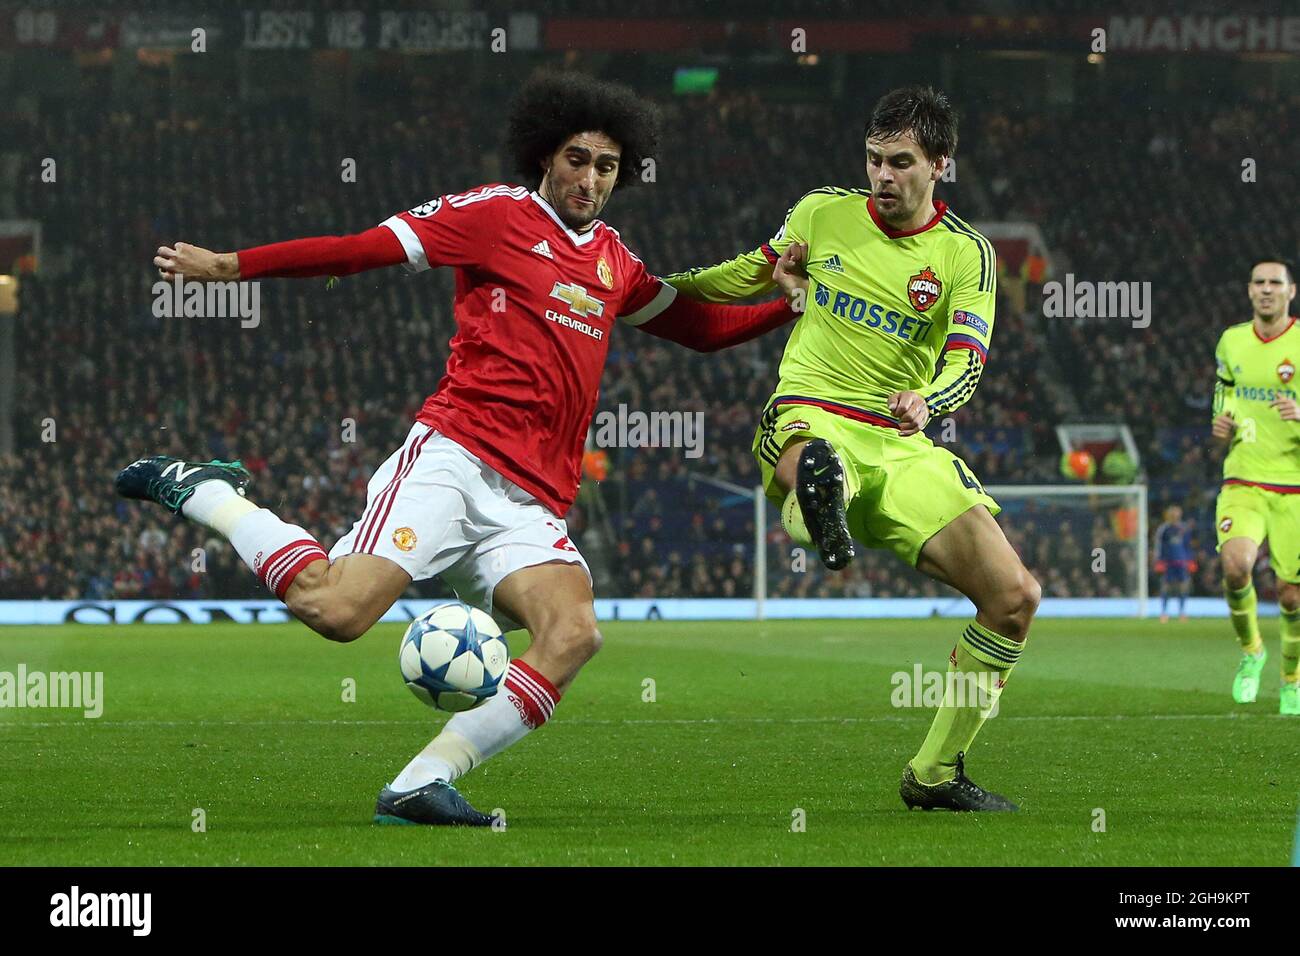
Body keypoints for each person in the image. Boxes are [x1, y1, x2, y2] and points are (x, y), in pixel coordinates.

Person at [117, 71, 806, 825]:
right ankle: (207, 492)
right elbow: (359, 250)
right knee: (337, 612)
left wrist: (790, 308)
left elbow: (699, 329)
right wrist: (229, 267)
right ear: (546, 155)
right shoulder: (492, 214)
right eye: (577, 159)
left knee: (574, 634)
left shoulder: (613, 261)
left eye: (607, 167)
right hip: (456, 458)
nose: (590, 178)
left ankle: (420, 782)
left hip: (533, 501)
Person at [665, 86, 1040, 811]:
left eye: (901, 162)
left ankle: (933, 775)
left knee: (1014, 597)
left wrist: (928, 399)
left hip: (900, 441)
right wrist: (649, 291)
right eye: (874, 160)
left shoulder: (966, 255)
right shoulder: (822, 211)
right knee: (812, 455)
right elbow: (745, 274)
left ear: (940, 164)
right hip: (814, 406)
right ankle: (815, 503)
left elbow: (968, 359)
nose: (883, 176)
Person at [1210, 259, 1300, 715]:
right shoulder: (1232, 340)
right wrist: (1219, 422)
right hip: (1243, 475)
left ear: (1291, 291)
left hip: (1296, 486)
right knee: (1235, 565)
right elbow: (1224, 391)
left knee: (1290, 594)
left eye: (1275, 283)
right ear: (1249, 291)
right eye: (1259, 283)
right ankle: (1251, 653)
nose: (1267, 290)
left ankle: (1291, 678)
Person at [1153, 504, 1195, 623]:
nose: (1175, 515)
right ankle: (1164, 613)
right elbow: (1159, 546)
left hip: (1181, 562)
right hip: (1168, 562)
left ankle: (1182, 612)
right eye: (1173, 513)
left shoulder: (1184, 528)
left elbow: (1187, 546)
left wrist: (1190, 560)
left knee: (1183, 587)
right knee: (1166, 587)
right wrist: (1159, 561)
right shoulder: (1164, 529)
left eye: (1177, 513)